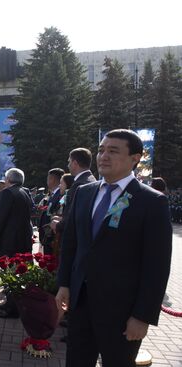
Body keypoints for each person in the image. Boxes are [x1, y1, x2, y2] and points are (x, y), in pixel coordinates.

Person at [56, 129, 172, 367]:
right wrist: (64, 284)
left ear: (135, 158)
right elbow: (71, 244)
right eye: (101, 150)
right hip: (81, 304)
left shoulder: (151, 202)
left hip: (123, 313)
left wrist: (142, 316)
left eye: (113, 151)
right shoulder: (84, 193)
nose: (103, 156)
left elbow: (157, 266)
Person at [0, 168, 33, 318]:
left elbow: (1, 216)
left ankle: (12, 308)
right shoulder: (24, 192)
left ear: (8, 180)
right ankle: (10, 303)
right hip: (22, 239)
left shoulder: (7, 193)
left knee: (9, 273)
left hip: (9, 241)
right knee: (16, 272)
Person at [51, 148, 96, 234]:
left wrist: (58, 225)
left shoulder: (79, 184)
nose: (68, 165)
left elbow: (75, 217)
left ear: (75, 163)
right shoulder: (90, 179)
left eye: (69, 162)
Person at [38, 168, 65, 254]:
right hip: (48, 237)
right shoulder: (52, 195)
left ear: (52, 179)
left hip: (52, 238)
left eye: (48, 178)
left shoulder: (60, 196)